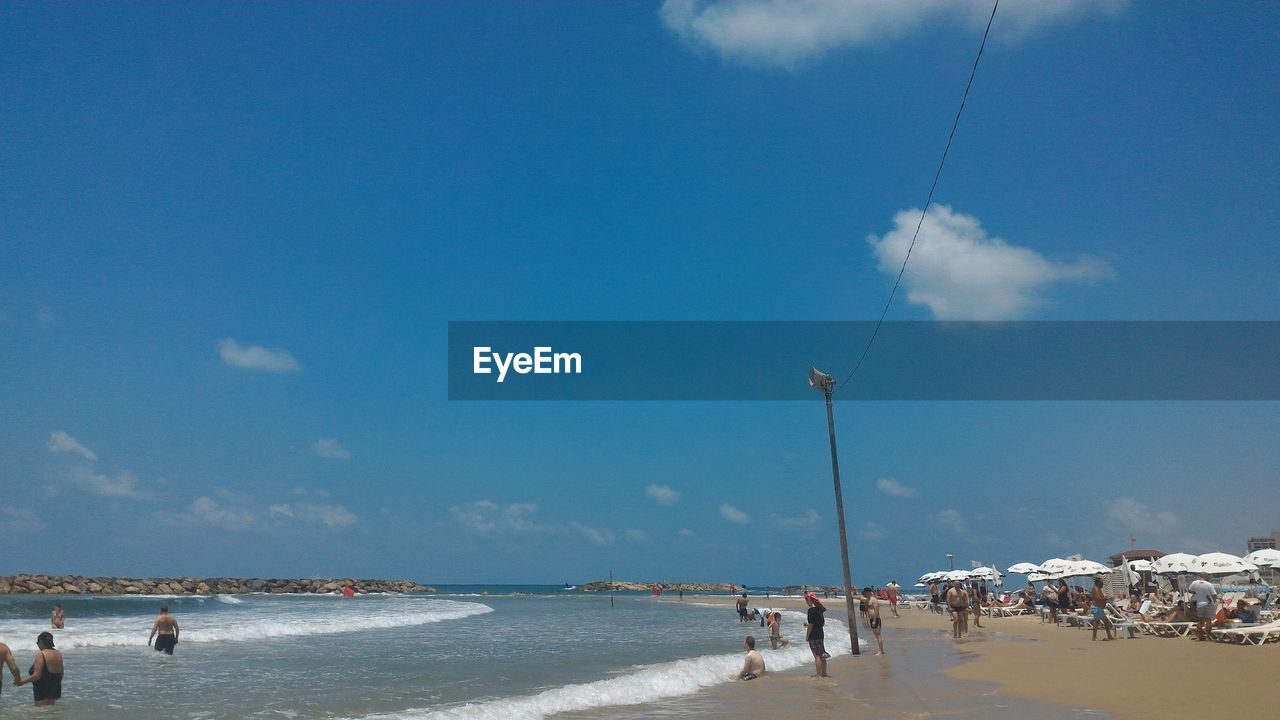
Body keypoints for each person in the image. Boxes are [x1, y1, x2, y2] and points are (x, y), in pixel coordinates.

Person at [17, 632, 62, 707]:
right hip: (55, 690)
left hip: (42, 690)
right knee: (51, 713)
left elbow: (36, 676)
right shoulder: (58, 654)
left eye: (37, 643)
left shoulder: (41, 654)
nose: (37, 645)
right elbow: (61, 674)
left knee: (40, 714)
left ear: (41, 642)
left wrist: (22, 682)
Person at [804, 592, 829, 677]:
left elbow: (811, 625)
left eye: (806, 600)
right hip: (820, 634)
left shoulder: (811, 610)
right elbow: (821, 623)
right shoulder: (820, 609)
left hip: (813, 635)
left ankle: (818, 675)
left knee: (817, 656)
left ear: (810, 600)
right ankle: (824, 673)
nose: (806, 602)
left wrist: (807, 636)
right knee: (822, 654)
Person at [1188, 573, 1217, 641]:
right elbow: (1214, 594)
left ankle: (1199, 637)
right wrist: (1214, 600)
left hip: (1199, 604)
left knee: (1200, 621)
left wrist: (1196, 593)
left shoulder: (1194, 583)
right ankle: (1207, 636)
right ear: (1205, 577)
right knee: (1208, 620)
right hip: (1208, 603)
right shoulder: (1209, 584)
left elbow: (1189, 590)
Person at [1089, 575, 1115, 641]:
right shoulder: (1096, 588)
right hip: (1097, 607)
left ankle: (1109, 635)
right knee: (1097, 622)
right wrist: (1107, 598)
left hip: (1099, 608)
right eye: (1101, 582)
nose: (1103, 584)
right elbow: (1098, 598)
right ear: (1098, 583)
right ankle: (1094, 637)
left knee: (1105, 622)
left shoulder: (1098, 588)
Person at [861, 587, 885, 655]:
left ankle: (881, 651)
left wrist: (874, 620)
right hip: (872, 619)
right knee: (876, 636)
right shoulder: (867, 600)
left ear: (868, 593)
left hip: (876, 619)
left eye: (865, 593)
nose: (864, 594)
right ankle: (880, 650)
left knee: (878, 636)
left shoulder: (874, 600)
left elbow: (876, 611)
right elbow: (860, 598)